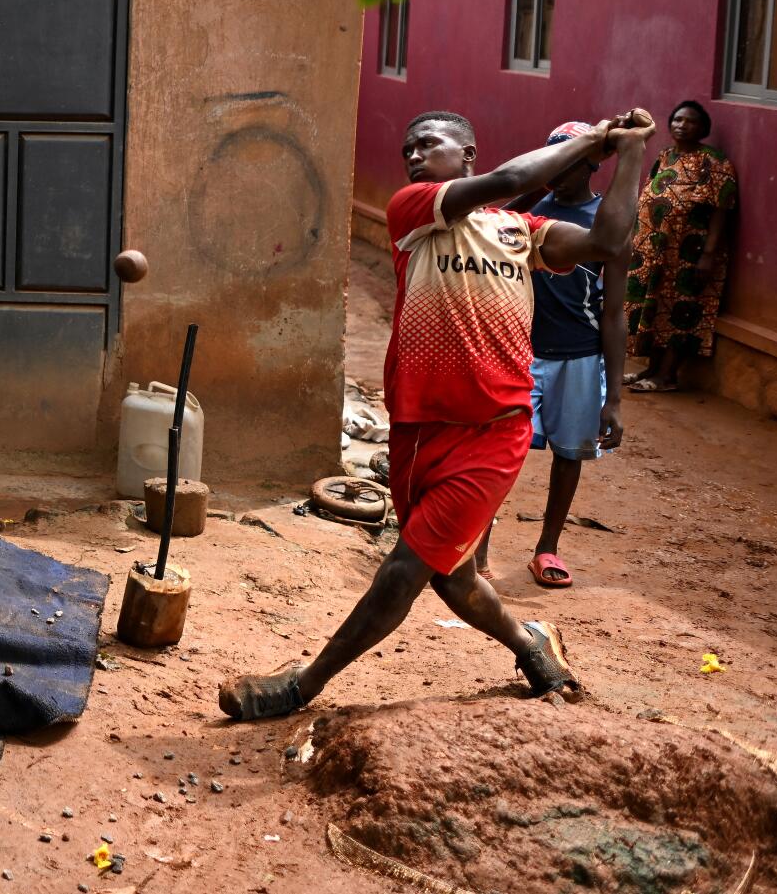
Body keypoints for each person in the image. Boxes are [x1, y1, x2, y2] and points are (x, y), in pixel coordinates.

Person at [218, 107, 655, 720]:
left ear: (467, 150)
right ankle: (532, 644)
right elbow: (505, 180)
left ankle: (301, 686)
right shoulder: (414, 212)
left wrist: (630, 151)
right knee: (451, 577)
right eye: (407, 150)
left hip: (494, 430)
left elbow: (608, 242)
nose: (414, 157)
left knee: (405, 567)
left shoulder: (523, 230)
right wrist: (598, 141)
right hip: (419, 431)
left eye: (429, 144)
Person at [471, 121, 627, 589]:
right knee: (500, 451)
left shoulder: (607, 221)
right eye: (553, 159)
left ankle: (547, 547)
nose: (560, 170)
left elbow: (615, 312)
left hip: (578, 356)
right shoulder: (528, 212)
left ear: (593, 165)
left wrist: (613, 398)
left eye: (572, 160)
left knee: (569, 454)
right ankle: (475, 546)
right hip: (519, 352)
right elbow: (487, 212)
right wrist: (535, 180)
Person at [625, 100, 736, 393]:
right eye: (677, 119)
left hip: (687, 254)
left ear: (703, 129)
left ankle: (667, 375)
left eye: (690, 121)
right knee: (653, 306)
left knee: (678, 311)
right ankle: (651, 368)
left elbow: (721, 209)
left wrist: (708, 255)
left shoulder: (713, 162)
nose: (682, 125)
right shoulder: (665, 156)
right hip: (651, 251)